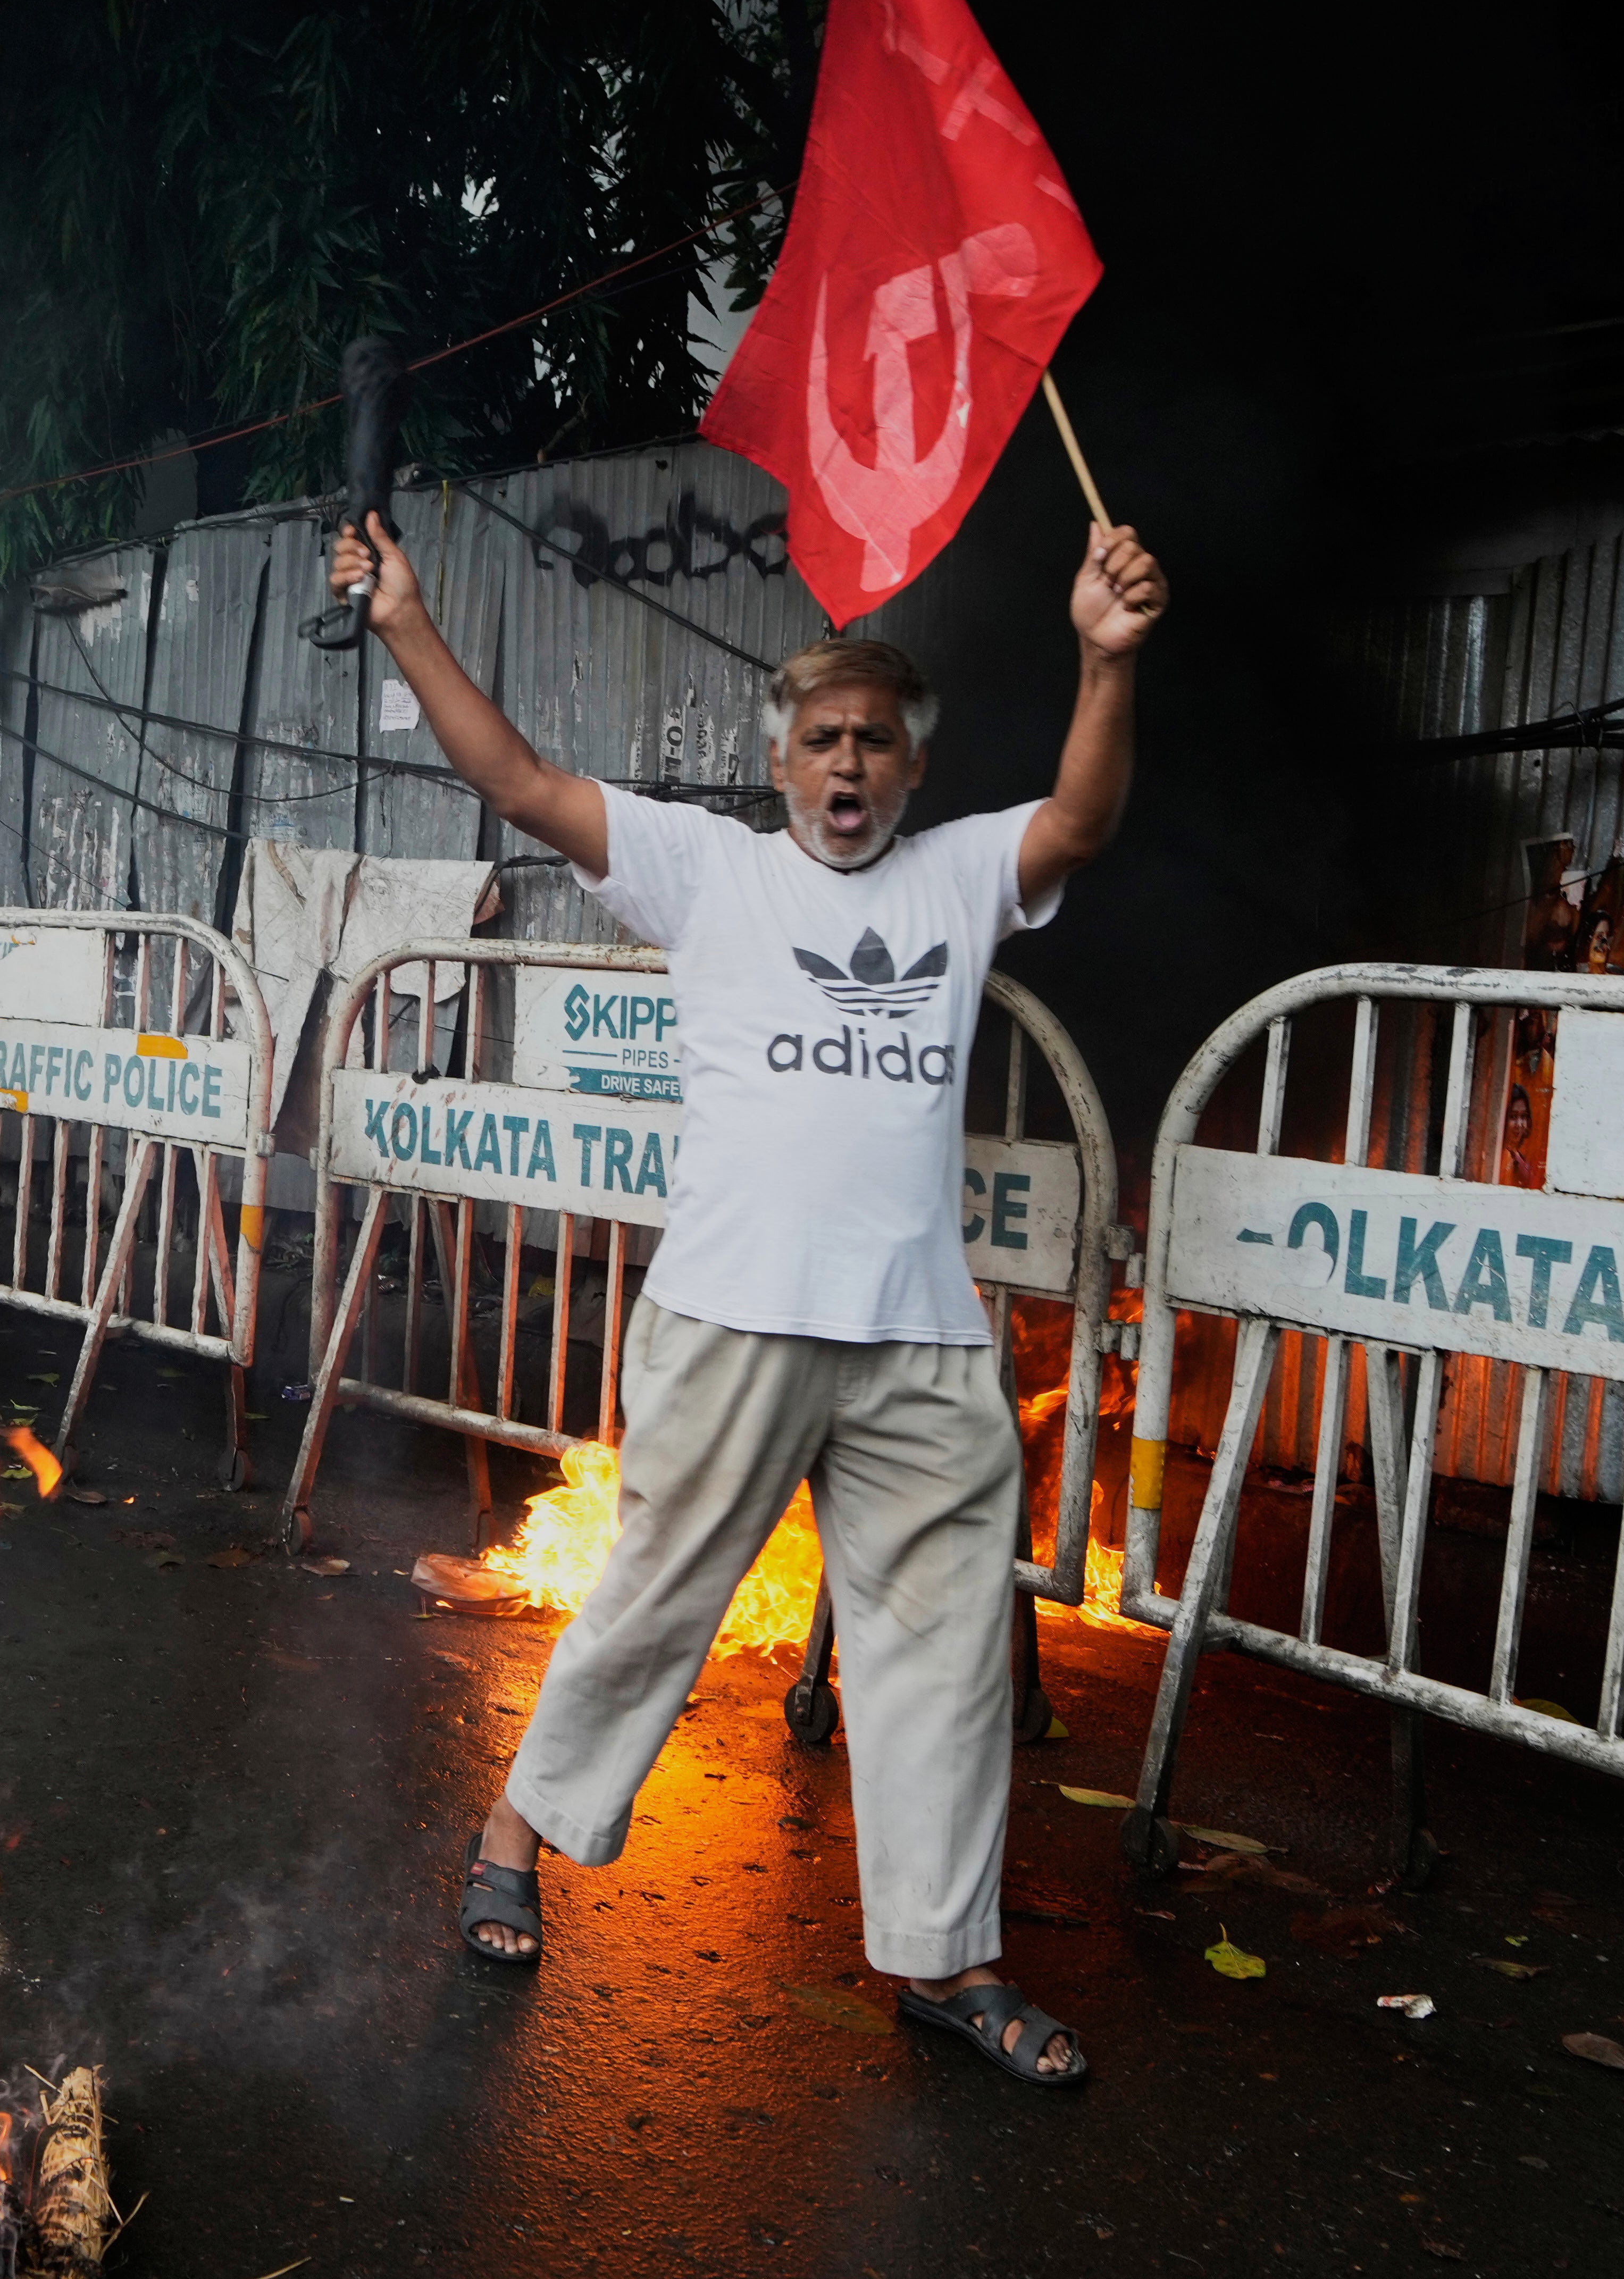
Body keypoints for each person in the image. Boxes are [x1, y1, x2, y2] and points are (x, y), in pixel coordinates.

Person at [334, 506, 1168, 2089]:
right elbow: (512, 778)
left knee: (941, 1649)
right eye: (820, 739)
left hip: (918, 1336)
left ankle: (945, 1956)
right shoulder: (701, 868)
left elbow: (1077, 817)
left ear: (909, 770)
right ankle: (516, 1833)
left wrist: (1102, 659)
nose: (847, 764)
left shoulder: (955, 873)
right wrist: (401, 622)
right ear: (777, 760)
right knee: (656, 1597)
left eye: (872, 741)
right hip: (733, 1315)